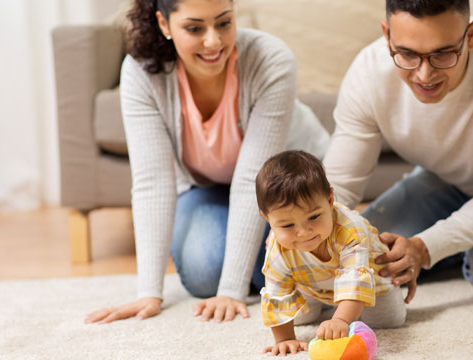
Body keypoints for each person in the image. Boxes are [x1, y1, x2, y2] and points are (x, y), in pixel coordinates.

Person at [84, 0, 329, 325]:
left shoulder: (271, 59)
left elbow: (249, 180)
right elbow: (152, 181)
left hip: (288, 195)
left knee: (296, 242)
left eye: (224, 23)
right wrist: (149, 293)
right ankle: (295, 267)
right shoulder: (141, 71)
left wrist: (231, 290)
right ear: (164, 23)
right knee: (204, 269)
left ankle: (294, 261)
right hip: (205, 189)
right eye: (194, 28)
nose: (213, 41)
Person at [324, 0, 473, 304]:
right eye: (407, 53)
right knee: (361, 255)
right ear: (387, 35)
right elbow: (339, 186)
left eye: (443, 53)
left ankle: (471, 247)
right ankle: (467, 238)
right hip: (447, 181)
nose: (424, 75)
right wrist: (313, 241)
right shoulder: (367, 74)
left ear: (471, 35)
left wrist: (424, 248)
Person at [256, 151, 406, 356]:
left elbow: (355, 282)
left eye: (314, 216)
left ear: (329, 200)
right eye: (288, 225)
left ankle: (341, 309)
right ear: (267, 218)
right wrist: (285, 339)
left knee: (390, 320)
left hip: (370, 280)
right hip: (313, 285)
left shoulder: (350, 230)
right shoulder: (277, 246)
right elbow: (277, 294)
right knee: (298, 318)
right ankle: (329, 304)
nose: (303, 232)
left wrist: (341, 320)